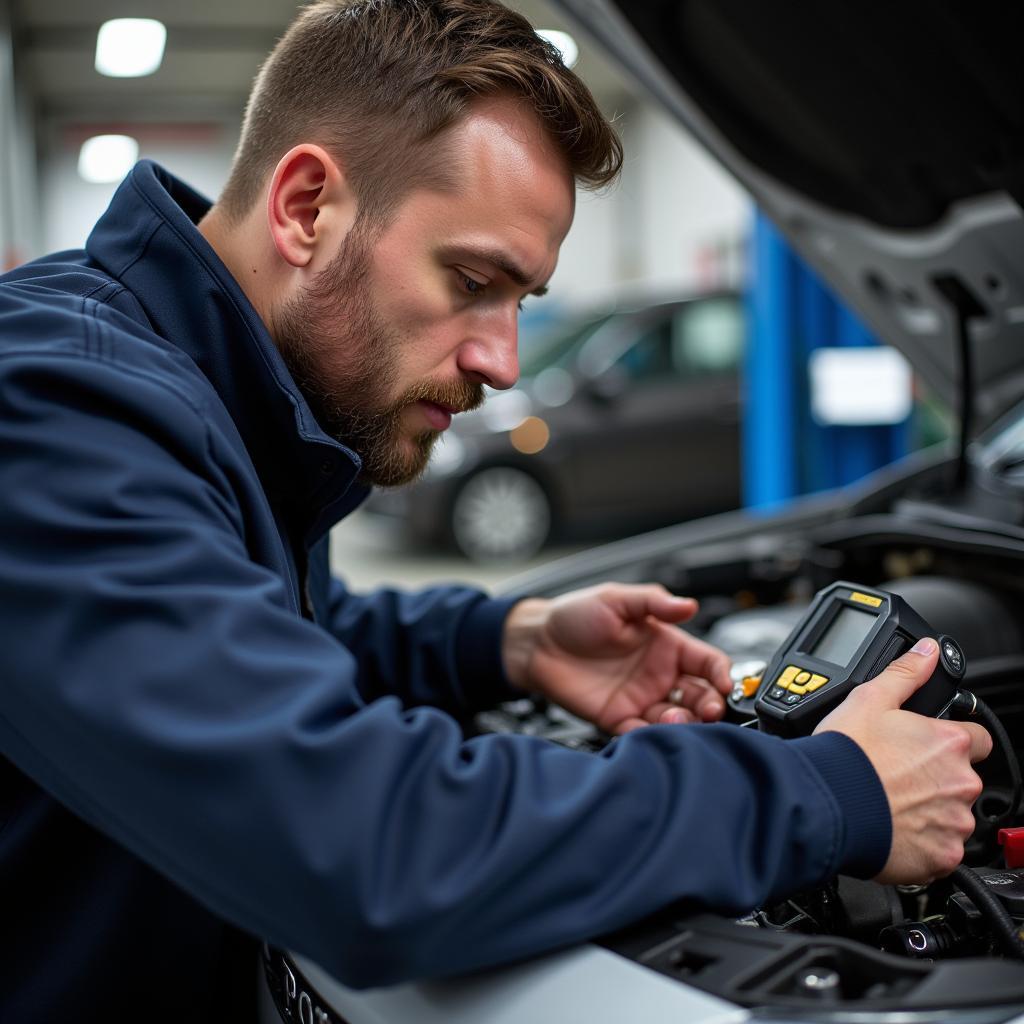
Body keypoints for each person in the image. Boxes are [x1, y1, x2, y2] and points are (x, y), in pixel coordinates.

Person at [0, 1, 990, 1020]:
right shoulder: (54, 412)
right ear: (305, 207)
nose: (503, 362)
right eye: (471, 281)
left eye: (521, 301)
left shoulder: (222, 402)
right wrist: (825, 793)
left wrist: (501, 641)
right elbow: (364, 850)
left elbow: (261, 630)